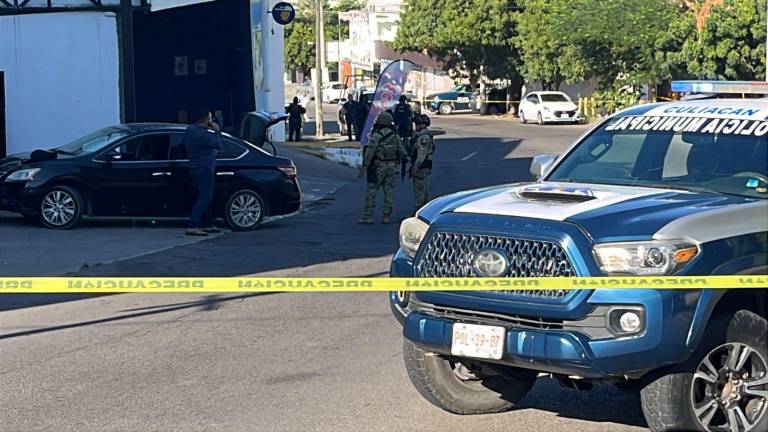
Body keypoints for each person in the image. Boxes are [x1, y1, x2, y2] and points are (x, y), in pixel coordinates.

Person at [358, 111, 406, 225]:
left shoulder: (376, 136)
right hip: (391, 166)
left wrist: (365, 165)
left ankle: (368, 216)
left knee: (372, 191)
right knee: (389, 192)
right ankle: (386, 216)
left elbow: (370, 152)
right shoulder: (395, 135)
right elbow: (402, 151)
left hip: (378, 167)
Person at [184, 109, 223, 236]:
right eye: (210, 118)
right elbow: (218, 145)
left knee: (206, 196)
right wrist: (217, 131)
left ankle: (207, 223)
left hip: (194, 166)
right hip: (205, 168)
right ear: (206, 119)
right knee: (204, 197)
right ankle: (193, 225)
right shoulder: (204, 136)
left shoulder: (190, 130)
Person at [410, 114, 435, 214]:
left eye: (417, 124)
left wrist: (416, 166)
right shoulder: (422, 135)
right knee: (423, 187)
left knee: (419, 189)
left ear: (423, 124)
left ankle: (419, 211)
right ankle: (425, 210)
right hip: (423, 165)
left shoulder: (423, 138)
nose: (416, 126)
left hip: (421, 166)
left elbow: (421, 153)